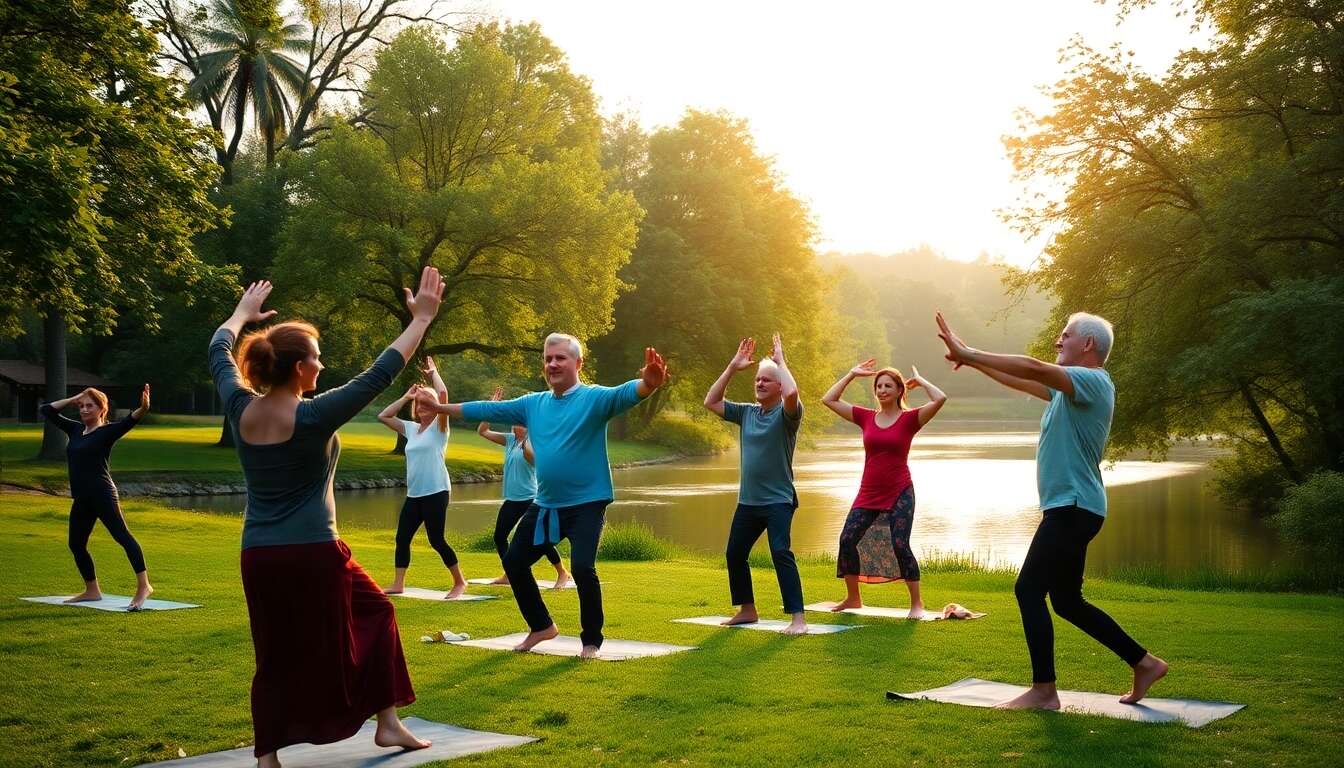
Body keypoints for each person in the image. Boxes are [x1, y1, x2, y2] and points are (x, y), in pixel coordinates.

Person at [209, 271, 443, 766]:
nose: (322, 364)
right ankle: (387, 723)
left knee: (273, 653)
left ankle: (269, 757)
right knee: (377, 614)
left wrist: (241, 316)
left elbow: (219, 347)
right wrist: (421, 318)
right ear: (297, 369)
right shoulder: (313, 417)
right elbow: (381, 372)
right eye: (315, 356)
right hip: (316, 552)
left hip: (258, 555)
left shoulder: (238, 406)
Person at [936, 310, 1168, 708]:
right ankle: (1144, 663)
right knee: (1066, 601)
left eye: (1065, 335)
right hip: (1075, 507)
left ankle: (1044, 690)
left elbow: (1031, 367)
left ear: (1088, 344)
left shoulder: (1093, 381)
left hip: (1073, 507)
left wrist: (969, 349)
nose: (1058, 341)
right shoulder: (1070, 389)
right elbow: (1024, 378)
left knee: (1028, 589)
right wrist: (972, 362)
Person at [429, 334, 667, 658]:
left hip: (587, 504)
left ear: (578, 363)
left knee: (583, 569)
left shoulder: (593, 399)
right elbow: (488, 409)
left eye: (560, 358)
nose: (552, 364)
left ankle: (591, 641)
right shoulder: (533, 404)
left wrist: (648, 385)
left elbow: (625, 394)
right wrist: (440, 406)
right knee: (513, 561)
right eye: (548, 359)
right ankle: (542, 626)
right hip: (546, 505)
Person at [820, 359, 945, 617]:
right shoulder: (866, 417)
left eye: (889, 386)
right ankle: (853, 599)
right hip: (868, 492)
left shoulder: (911, 419)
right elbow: (829, 400)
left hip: (900, 491)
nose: (882, 390)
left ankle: (916, 604)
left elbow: (940, 398)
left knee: (900, 544)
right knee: (847, 540)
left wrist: (920, 381)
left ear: (900, 390)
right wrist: (851, 374)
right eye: (879, 386)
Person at [703, 334, 807, 635]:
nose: (760, 383)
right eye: (757, 379)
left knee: (780, 551)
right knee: (735, 553)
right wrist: (733, 367)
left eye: (766, 380)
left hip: (778, 501)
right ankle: (747, 610)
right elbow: (711, 401)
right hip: (749, 501)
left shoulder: (787, 416)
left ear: (778, 387)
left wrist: (781, 362)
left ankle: (798, 617)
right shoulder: (747, 413)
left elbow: (793, 392)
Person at [40, 384, 154, 610]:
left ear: (102, 409)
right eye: (81, 406)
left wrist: (144, 407)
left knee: (123, 537)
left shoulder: (107, 432)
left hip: (102, 494)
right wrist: (75, 397)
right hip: (82, 498)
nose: (83, 409)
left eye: (89, 405)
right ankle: (92, 590)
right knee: (76, 544)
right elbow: (47, 410)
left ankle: (144, 586)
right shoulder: (74, 430)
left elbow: (131, 420)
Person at [376, 356, 467, 599]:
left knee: (436, 540)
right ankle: (398, 583)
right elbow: (383, 416)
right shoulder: (411, 429)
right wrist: (407, 397)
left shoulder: (440, 426)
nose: (424, 408)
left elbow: (444, 394)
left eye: (428, 404)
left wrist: (433, 373)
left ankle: (459, 582)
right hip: (414, 493)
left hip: (436, 491)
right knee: (402, 537)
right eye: (420, 405)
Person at [476, 387, 569, 589]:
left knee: (540, 540)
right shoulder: (509, 440)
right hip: (512, 499)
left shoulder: (533, 442)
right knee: (499, 537)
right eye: (515, 420)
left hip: (530, 499)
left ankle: (562, 573)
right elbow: (482, 431)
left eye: (520, 421)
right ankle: (510, 573)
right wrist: (491, 407)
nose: (515, 424)